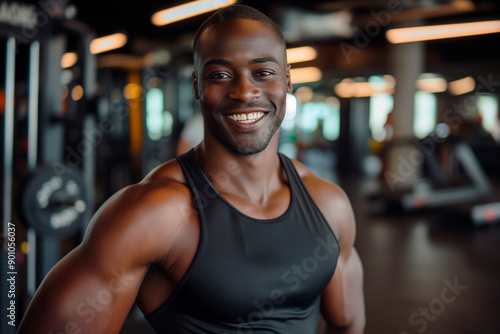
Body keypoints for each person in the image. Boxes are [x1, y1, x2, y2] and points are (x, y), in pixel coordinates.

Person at [18, 5, 365, 333]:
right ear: (198, 86)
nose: (244, 92)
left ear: (287, 81)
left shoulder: (328, 204)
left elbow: (348, 322)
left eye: (263, 73)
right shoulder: (152, 214)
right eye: (220, 75)